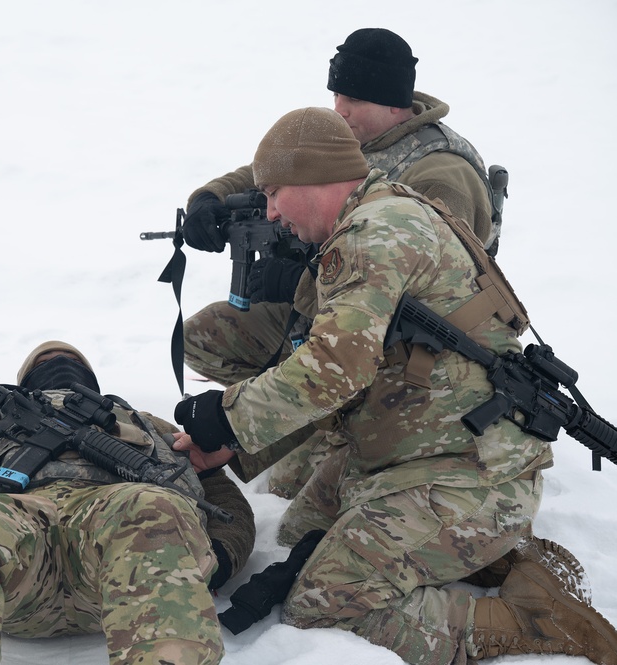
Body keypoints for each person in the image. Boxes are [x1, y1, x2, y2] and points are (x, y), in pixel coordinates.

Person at [171, 107, 617, 663]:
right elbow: (352, 374)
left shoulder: (376, 234)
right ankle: (497, 554)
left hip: (469, 471)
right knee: (296, 537)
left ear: (312, 176)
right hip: (417, 449)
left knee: (322, 601)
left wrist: (228, 418)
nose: (270, 211)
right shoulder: (379, 215)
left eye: (273, 193)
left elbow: (334, 368)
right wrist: (234, 443)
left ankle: (526, 620)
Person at [180, 28, 498, 504]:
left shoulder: (440, 172)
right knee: (202, 336)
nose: (339, 109)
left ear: (394, 103)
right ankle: (294, 409)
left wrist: (303, 270)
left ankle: (319, 421)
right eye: (336, 95)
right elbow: (273, 168)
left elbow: (407, 291)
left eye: (352, 99)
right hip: (330, 322)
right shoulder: (356, 140)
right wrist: (210, 198)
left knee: (289, 489)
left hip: (408, 356)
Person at [0, 340, 255, 665]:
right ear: (25, 380)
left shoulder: (142, 421)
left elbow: (221, 500)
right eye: (43, 363)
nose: (59, 366)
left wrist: (216, 559)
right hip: (9, 556)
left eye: (72, 361)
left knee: (155, 507)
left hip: (123, 560)